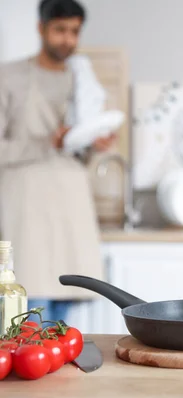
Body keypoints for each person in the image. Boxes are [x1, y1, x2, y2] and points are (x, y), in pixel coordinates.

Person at [0, 0, 115, 323]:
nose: (68, 39)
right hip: (26, 204)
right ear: (41, 29)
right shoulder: (8, 77)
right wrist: (47, 141)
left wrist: (95, 143)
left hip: (70, 203)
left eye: (74, 31)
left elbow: (78, 147)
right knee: (28, 311)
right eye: (60, 30)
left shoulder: (83, 82)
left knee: (65, 316)